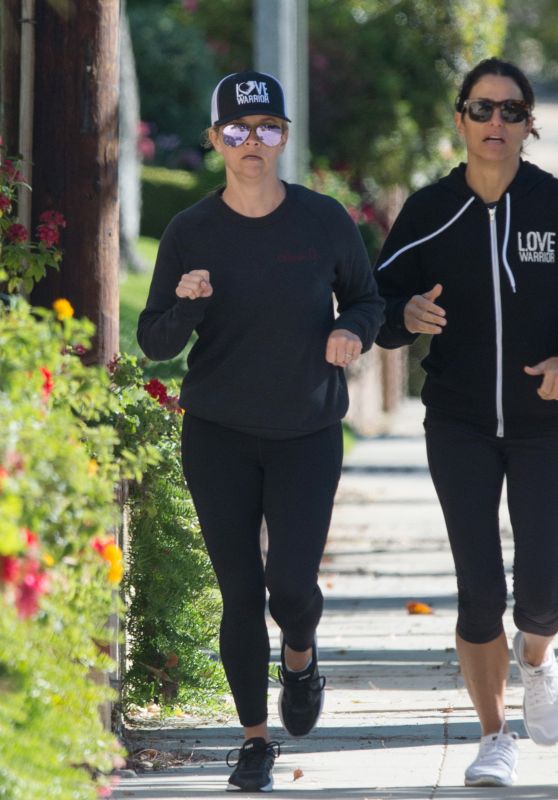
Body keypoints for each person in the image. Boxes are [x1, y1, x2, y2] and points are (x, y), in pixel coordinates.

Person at [137, 70, 384, 792]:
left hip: (307, 429)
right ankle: (253, 741)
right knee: (240, 590)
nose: (253, 142)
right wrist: (184, 306)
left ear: (283, 138)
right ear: (216, 139)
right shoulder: (191, 231)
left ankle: (301, 655)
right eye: (238, 130)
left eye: (268, 129)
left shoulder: (322, 220)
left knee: (291, 586)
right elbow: (155, 341)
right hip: (218, 433)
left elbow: (367, 299)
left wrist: (350, 330)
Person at [374, 57, 558, 788]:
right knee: (480, 586)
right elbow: (377, 306)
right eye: (482, 110)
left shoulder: (552, 204)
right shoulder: (429, 210)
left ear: (528, 124)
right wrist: (404, 316)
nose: (495, 124)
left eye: (510, 111)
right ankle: (494, 735)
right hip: (459, 423)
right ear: (460, 120)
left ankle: (538, 660)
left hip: (546, 425)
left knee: (543, 592)